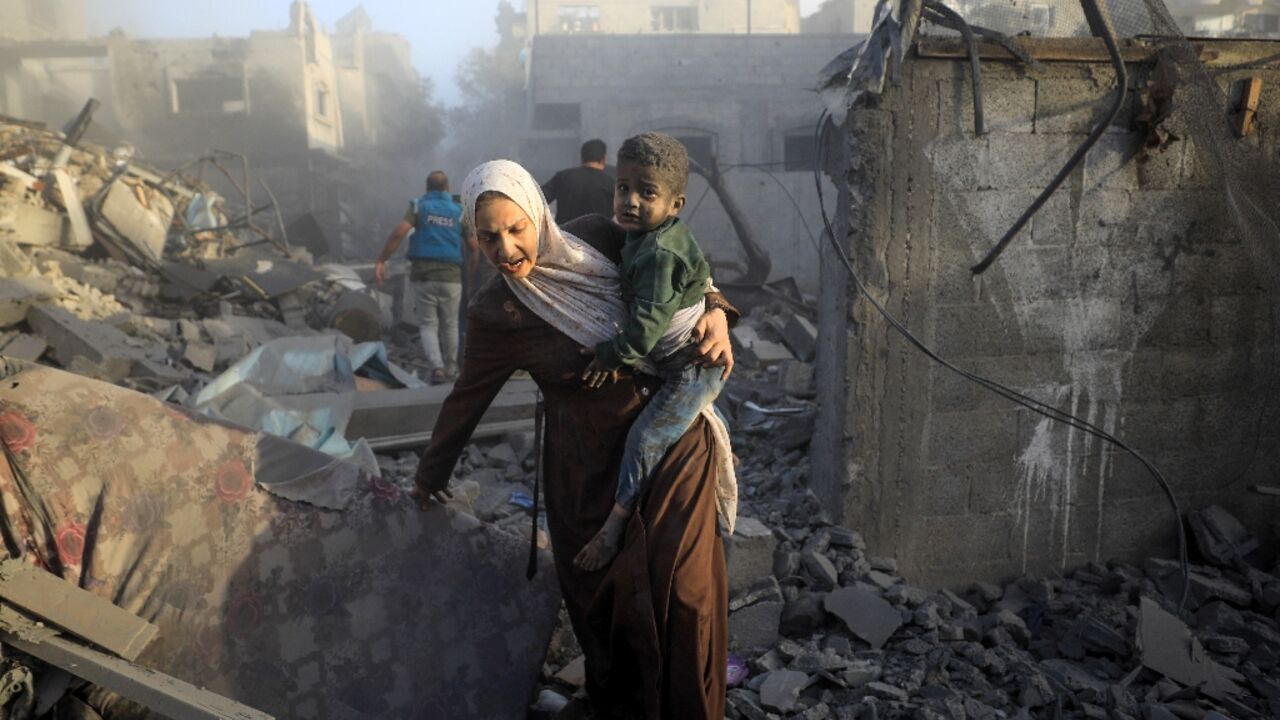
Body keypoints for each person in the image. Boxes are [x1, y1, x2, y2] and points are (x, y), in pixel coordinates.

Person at [413, 160, 738, 719]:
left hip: (672, 440)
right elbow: (467, 398)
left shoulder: (598, 235)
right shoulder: (497, 311)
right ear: (472, 235)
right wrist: (428, 478)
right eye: (488, 237)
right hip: (586, 469)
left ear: (539, 213)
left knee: (686, 596)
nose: (507, 248)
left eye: (516, 229)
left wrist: (717, 310)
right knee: (613, 609)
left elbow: (681, 259)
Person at [575, 133, 729, 573]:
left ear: (676, 205)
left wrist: (608, 355)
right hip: (681, 357)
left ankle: (614, 526)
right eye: (624, 188)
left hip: (690, 368)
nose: (631, 201)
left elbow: (642, 335)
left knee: (644, 439)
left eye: (648, 192)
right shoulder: (645, 236)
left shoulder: (659, 253)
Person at [375, 171, 465, 384]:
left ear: (427, 189)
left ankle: (438, 369)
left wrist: (382, 259)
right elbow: (473, 244)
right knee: (450, 324)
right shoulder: (459, 211)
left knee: (428, 324)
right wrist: (472, 269)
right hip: (452, 277)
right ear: (448, 188)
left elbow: (399, 232)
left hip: (423, 276)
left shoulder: (418, 207)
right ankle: (452, 369)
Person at [541, 138, 615, 223]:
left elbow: (540, 198)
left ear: (582, 157)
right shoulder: (611, 182)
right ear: (604, 158)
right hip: (598, 234)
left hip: (565, 233)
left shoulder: (563, 177)